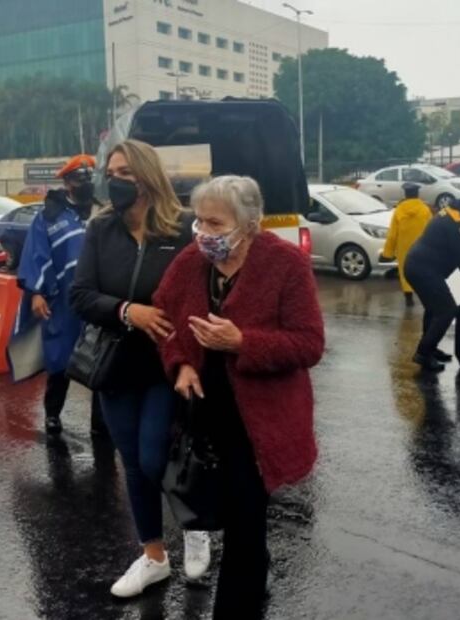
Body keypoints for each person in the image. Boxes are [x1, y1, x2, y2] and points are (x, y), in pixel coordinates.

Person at [154, 176, 325, 618]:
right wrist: (182, 363)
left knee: (246, 525)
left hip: (259, 422)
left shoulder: (285, 264)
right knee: (222, 510)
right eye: (199, 221)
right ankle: (255, 565)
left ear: (249, 224)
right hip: (204, 413)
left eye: (215, 223)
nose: (203, 233)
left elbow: (309, 344)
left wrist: (244, 343)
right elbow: (164, 315)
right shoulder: (193, 260)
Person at [69, 139, 211, 598]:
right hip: (115, 365)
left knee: (154, 455)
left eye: (126, 172)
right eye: (112, 171)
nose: (116, 180)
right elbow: (81, 295)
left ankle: (195, 523)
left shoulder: (183, 229)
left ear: (148, 176)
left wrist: (192, 355)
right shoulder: (100, 229)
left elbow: (203, 296)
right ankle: (153, 556)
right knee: (132, 462)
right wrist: (130, 311)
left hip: (166, 363)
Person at [17, 154, 104, 435]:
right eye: (80, 178)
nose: (85, 183)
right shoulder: (48, 218)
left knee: (102, 359)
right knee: (59, 359)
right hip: (63, 302)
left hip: (99, 298)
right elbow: (36, 255)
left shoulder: (103, 212)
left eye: (89, 178)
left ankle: (100, 425)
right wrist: (36, 293)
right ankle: (52, 415)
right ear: (67, 182)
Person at [404, 189, 460, 372]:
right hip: (423, 269)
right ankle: (423, 353)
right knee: (446, 310)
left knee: (434, 308)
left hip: (419, 266)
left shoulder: (454, 213)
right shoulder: (457, 222)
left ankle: (430, 348)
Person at [381, 183, 433, 307]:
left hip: (403, 247)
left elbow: (392, 234)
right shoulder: (425, 209)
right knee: (422, 271)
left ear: (405, 194)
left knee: (405, 272)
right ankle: (424, 295)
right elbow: (431, 229)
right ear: (417, 194)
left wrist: (387, 253)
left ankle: (408, 298)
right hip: (422, 246)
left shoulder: (399, 210)